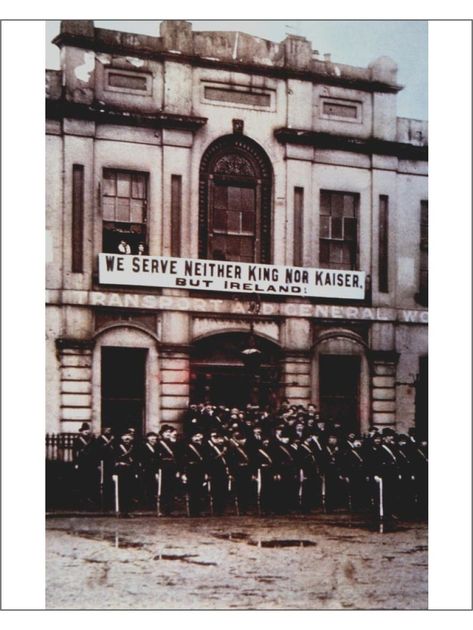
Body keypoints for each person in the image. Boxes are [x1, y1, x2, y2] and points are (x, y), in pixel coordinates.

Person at [181, 431, 208, 516]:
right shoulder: (186, 447)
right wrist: (183, 473)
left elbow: (205, 461)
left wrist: (206, 472)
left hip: (200, 470)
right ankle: (192, 511)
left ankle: (199, 510)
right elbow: (183, 461)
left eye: (199, 436)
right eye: (195, 436)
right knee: (192, 491)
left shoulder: (203, 447)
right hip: (190, 470)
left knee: (200, 491)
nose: (197, 438)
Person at [156, 425, 180, 516]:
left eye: (169, 432)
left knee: (171, 488)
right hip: (163, 467)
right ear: (162, 434)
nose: (168, 434)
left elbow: (177, 457)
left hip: (172, 467)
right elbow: (156, 458)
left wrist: (178, 470)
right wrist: (156, 470)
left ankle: (169, 510)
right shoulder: (159, 443)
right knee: (163, 489)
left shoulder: (174, 443)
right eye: (166, 432)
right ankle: (162, 510)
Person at [112, 431, 138, 517]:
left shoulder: (133, 447)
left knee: (130, 491)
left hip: (130, 470)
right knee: (121, 491)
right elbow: (113, 460)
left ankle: (129, 511)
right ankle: (121, 511)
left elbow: (136, 461)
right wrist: (114, 473)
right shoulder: (116, 447)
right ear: (121, 437)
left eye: (129, 436)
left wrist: (136, 472)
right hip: (120, 470)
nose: (127, 438)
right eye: (125, 436)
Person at [72, 422, 97, 508]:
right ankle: (82, 499)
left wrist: (96, 463)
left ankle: (89, 499)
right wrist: (76, 463)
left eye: (87, 430)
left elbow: (95, 452)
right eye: (84, 430)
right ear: (81, 431)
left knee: (90, 481)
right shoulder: (77, 440)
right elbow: (74, 452)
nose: (86, 432)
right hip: (81, 463)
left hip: (90, 463)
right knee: (81, 481)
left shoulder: (92, 440)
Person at [206, 431, 231, 515]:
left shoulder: (225, 447)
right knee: (216, 490)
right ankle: (216, 509)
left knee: (224, 490)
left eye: (219, 438)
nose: (218, 440)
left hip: (224, 470)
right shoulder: (209, 448)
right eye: (215, 438)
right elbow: (209, 460)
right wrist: (221, 454)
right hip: (215, 471)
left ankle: (222, 509)